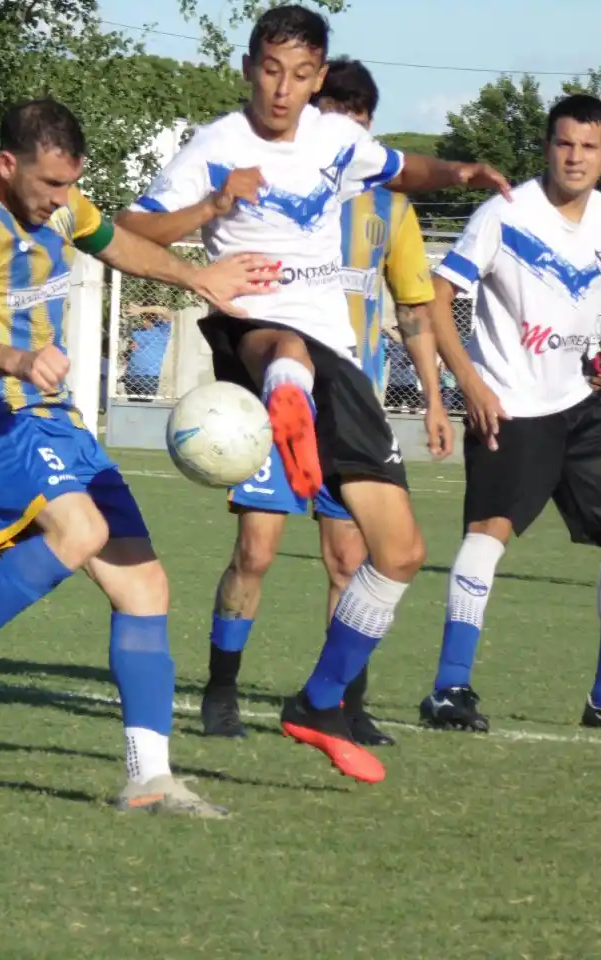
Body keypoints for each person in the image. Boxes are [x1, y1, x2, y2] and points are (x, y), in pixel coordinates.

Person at [115, 5, 506, 783]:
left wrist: (462, 173)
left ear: (318, 77)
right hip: (252, 329)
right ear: (248, 68)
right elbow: (128, 228)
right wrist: (212, 210)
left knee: (400, 553)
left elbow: (401, 169)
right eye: (269, 70)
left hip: (339, 358)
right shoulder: (217, 144)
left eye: (299, 75)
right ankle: (285, 408)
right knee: (282, 359)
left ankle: (321, 702)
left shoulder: (335, 139)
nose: (281, 89)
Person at [0, 98, 277, 818]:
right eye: (49, 184)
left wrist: (198, 278)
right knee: (81, 531)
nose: (62, 199)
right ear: (7, 164)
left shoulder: (63, 204)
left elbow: (114, 241)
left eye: (71, 184)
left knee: (146, 587)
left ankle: (148, 779)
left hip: (51, 414)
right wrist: (15, 358)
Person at [420, 94, 601, 734]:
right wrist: (469, 384)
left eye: (588, 146)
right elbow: (435, 298)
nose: (574, 157)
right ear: (548, 147)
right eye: (563, 143)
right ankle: (449, 689)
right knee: (488, 534)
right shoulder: (504, 213)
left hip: (576, 408)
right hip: (510, 407)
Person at [188, 57, 445, 747]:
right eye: (332, 117)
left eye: (355, 123)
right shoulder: (276, 188)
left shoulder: (392, 211)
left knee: (350, 561)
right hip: (277, 393)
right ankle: (221, 689)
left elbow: (413, 307)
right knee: (256, 551)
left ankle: (343, 705)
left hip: (350, 401)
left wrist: (434, 397)